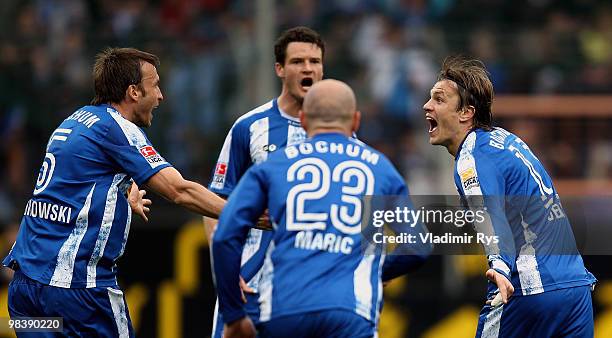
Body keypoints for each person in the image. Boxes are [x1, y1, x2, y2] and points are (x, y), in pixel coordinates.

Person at [3, 47, 226, 337]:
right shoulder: (118, 127)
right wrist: (244, 212)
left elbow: (81, 178)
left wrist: (126, 186)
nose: (160, 96)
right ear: (134, 92)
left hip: (25, 293)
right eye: (155, 85)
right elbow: (179, 190)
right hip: (76, 294)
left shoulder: (73, 122)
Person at [212, 79, 422, 338]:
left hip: (284, 310)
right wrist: (376, 270)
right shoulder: (381, 168)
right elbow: (418, 245)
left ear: (302, 120)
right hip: (350, 313)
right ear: (356, 121)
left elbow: (224, 236)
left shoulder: (274, 166)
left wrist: (234, 316)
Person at [423, 55, 596, 337]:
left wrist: (499, 265)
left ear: (466, 112)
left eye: (439, 99)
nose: (427, 105)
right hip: (575, 287)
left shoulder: (471, 158)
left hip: (530, 290)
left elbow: (490, 216)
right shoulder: (506, 140)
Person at [204, 26, 325, 338]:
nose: (308, 68)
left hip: (310, 292)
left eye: (315, 61)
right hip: (250, 287)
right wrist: (225, 272)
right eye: (298, 61)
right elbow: (214, 202)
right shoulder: (250, 127)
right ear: (280, 69)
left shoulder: (340, 134)